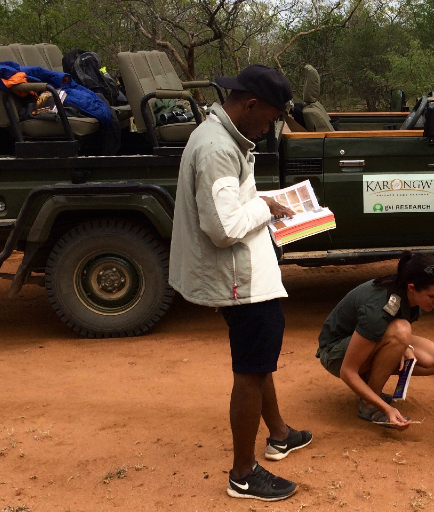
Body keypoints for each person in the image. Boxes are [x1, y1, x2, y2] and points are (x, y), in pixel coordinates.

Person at [169, 64, 311, 502]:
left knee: (258, 362)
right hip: (241, 281)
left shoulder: (225, 135)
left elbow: (231, 202)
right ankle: (243, 474)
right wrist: (267, 210)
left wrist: (264, 199)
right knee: (250, 372)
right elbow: (223, 227)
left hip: (249, 275)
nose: (269, 126)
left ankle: (280, 435)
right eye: (268, 117)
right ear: (250, 104)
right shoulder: (216, 148)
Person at [316, 251, 434, 430]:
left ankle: (371, 386)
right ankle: (370, 404)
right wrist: (386, 408)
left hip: (368, 339)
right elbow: (347, 371)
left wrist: (404, 346)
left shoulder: (411, 295)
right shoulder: (380, 307)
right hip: (335, 355)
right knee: (401, 331)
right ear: (411, 288)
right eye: (432, 296)